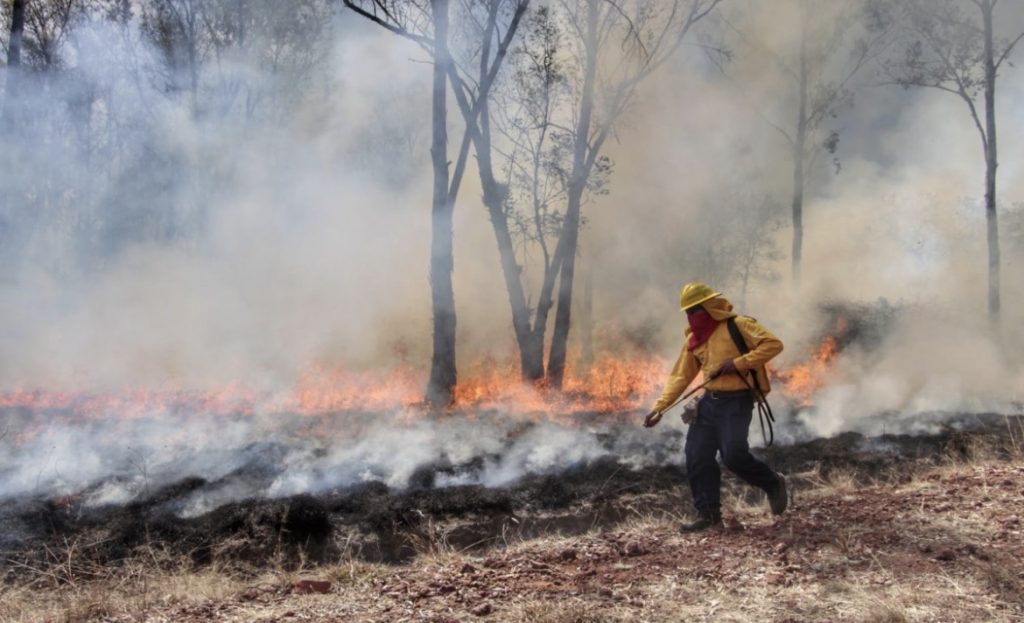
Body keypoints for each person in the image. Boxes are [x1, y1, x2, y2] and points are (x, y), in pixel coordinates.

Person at [644, 282, 788, 532]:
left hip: (737, 402)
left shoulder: (738, 325)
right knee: (697, 455)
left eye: (696, 310)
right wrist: (659, 408)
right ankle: (709, 515)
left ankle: (772, 483)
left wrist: (739, 363)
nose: (692, 316)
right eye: (688, 312)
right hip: (709, 403)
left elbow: (773, 344)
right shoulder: (694, 339)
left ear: (710, 306)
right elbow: (680, 377)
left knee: (733, 456)